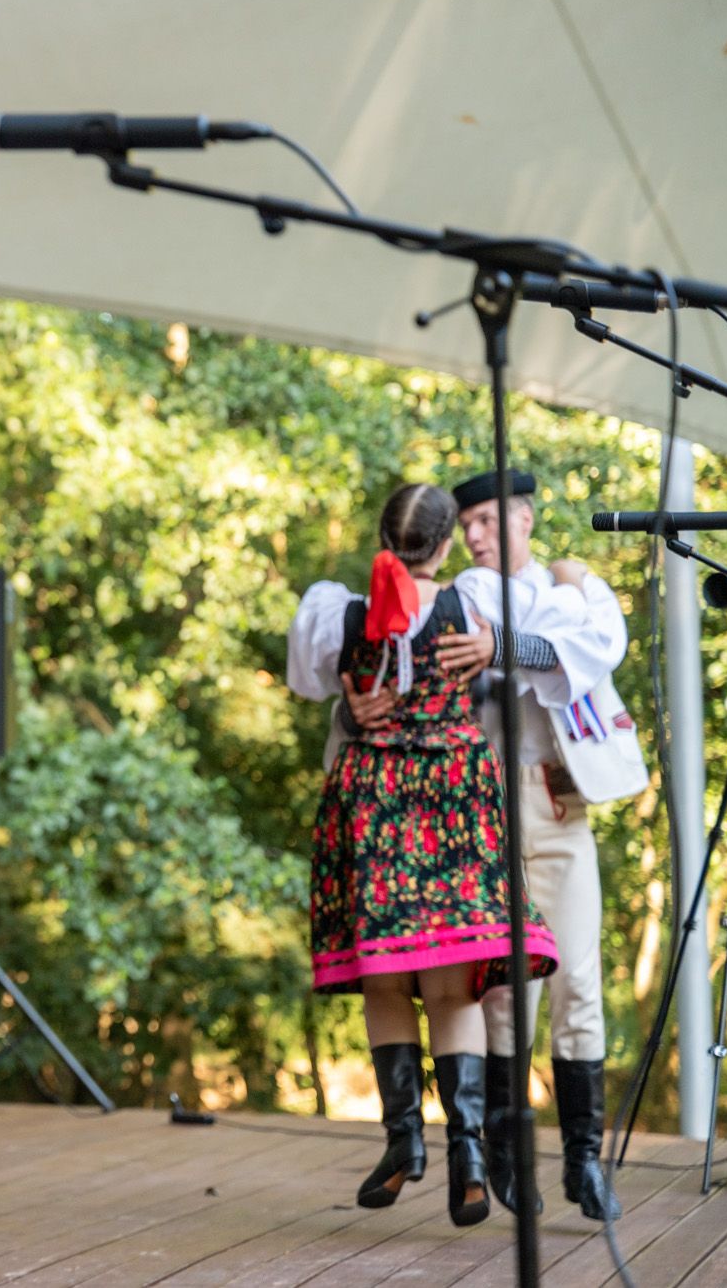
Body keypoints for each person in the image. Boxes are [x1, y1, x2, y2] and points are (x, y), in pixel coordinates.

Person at [288, 483, 564, 1227]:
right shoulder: (475, 607)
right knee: (453, 989)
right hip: (453, 797)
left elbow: (308, 680)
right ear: (445, 545)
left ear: (384, 538)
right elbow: (545, 647)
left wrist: (354, 701)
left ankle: (404, 1140)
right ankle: (467, 1156)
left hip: (376, 797)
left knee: (385, 979)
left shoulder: (340, 614)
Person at [447, 469, 639, 1221]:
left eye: (488, 520)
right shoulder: (474, 594)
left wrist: (569, 589)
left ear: (524, 518)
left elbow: (600, 643)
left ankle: (584, 1161)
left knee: (579, 983)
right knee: (503, 992)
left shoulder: (561, 592)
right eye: (466, 523)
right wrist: (570, 595)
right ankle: (505, 1157)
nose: (474, 534)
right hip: (487, 812)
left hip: (558, 803)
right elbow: (537, 641)